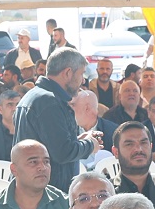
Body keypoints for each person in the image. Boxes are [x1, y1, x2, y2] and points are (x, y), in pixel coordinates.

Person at [14, 49, 98, 191]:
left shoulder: (36, 96)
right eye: (81, 74)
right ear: (68, 73)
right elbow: (62, 152)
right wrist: (90, 145)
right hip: (48, 193)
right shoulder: (49, 101)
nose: (83, 80)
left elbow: (51, 144)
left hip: (37, 190)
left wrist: (77, 140)